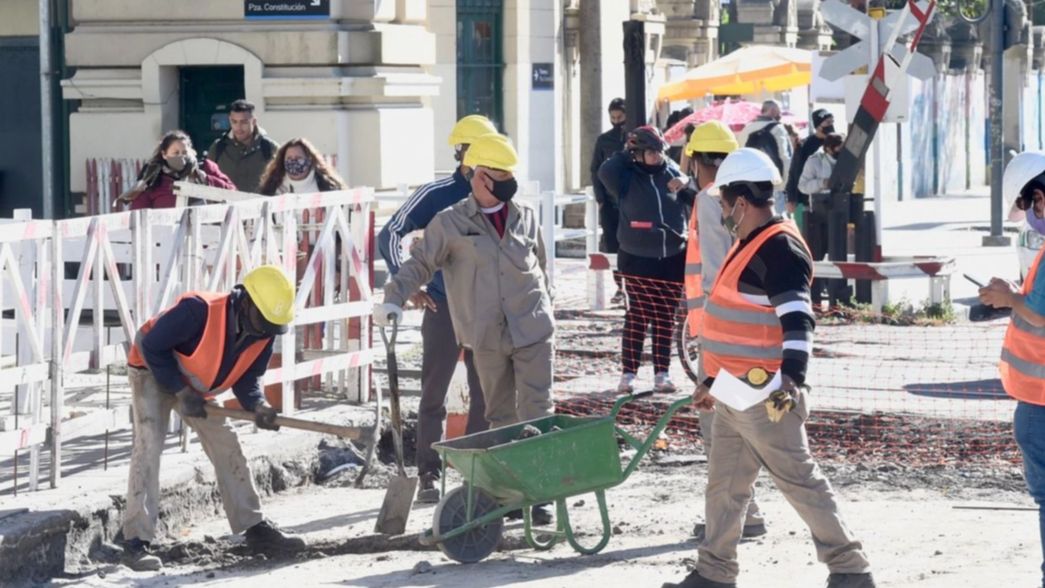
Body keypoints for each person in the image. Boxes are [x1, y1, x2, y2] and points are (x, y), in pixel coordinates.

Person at [663, 148, 874, 588]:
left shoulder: (779, 248)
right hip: (732, 392)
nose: (721, 210)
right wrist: (710, 382)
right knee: (724, 488)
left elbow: (798, 318)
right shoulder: (750, 242)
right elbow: (737, 323)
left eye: (724, 203)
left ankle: (850, 568)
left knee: (799, 482)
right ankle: (714, 572)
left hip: (766, 396)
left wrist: (791, 381)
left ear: (741, 201)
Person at [373, 132, 555, 525]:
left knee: (538, 411)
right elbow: (419, 263)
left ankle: (539, 494)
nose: (508, 181)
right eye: (499, 173)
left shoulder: (524, 214)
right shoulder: (451, 222)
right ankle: (507, 494)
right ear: (479, 177)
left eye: (510, 173)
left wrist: (549, 306)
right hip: (486, 336)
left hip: (533, 328)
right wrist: (392, 297)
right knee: (501, 415)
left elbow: (541, 264)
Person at [121, 265, 306, 572]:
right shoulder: (198, 311)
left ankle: (254, 527)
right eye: (264, 322)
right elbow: (151, 345)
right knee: (149, 443)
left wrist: (258, 405)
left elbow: (248, 379)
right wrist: (180, 390)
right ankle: (136, 541)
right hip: (151, 369)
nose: (265, 331)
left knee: (227, 443)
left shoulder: (265, 330)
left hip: (196, 383)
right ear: (246, 302)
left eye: (273, 326)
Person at [375, 115, 494, 504]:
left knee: (485, 393)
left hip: (484, 309)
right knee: (433, 392)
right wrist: (407, 285)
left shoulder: (497, 194)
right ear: (462, 153)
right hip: (442, 305)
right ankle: (428, 474)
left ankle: (477, 473)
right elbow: (390, 232)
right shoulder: (437, 193)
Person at [680, 122, 767, 543]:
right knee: (738, 423)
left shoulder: (706, 199)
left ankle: (736, 518)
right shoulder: (751, 198)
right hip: (746, 329)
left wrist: (709, 331)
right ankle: (744, 513)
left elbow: (716, 270)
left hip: (721, 333)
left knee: (719, 427)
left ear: (697, 162)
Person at [978, 150, 1045, 588]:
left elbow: (1041, 313)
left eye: (1031, 208)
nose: (1033, 218)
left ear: (1039, 197)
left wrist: (1009, 298)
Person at [598, 125, 692, 394]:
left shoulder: (671, 170)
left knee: (665, 317)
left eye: (659, 151)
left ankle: (662, 373)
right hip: (637, 257)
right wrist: (626, 152)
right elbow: (604, 172)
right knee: (638, 315)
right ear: (636, 153)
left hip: (672, 256)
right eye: (649, 152)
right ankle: (629, 373)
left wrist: (685, 182)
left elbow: (692, 189)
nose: (656, 157)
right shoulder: (625, 176)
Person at [118, 130, 235, 209]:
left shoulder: (205, 167)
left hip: (207, 238)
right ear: (164, 154)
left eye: (184, 152)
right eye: (175, 153)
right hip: (165, 239)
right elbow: (139, 210)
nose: (181, 156)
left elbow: (232, 192)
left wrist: (206, 179)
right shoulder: (153, 177)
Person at [590, 98, 627, 304]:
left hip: (630, 202)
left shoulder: (634, 138)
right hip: (610, 204)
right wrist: (600, 198)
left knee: (630, 245)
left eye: (620, 117)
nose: (616, 121)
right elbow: (595, 169)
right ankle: (620, 287)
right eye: (613, 118)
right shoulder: (603, 140)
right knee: (613, 245)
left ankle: (631, 286)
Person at [207, 99, 280, 193]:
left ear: (254, 121)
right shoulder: (218, 148)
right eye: (234, 122)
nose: (238, 127)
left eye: (244, 122)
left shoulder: (270, 148)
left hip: (260, 206)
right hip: (226, 206)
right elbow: (207, 181)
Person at [737, 100, 793, 214]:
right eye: (779, 112)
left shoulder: (746, 129)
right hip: (774, 185)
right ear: (772, 111)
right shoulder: (777, 129)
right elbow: (785, 158)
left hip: (750, 185)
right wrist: (784, 185)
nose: (780, 115)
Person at [785, 108, 835, 230]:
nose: (831, 125)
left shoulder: (837, 142)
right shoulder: (805, 145)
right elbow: (794, 172)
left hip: (832, 202)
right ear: (818, 126)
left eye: (832, 122)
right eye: (828, 123)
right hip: (806, 202)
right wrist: (791, 198)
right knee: (808, 237)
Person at [257, 137, 346, 195]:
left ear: (309, 160)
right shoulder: (273, 188)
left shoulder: (327, 186)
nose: (293, 162)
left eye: (298, 158)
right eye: (289, 158)